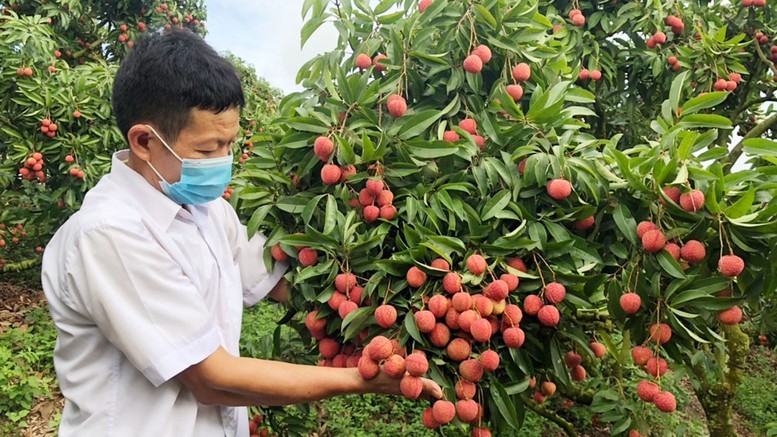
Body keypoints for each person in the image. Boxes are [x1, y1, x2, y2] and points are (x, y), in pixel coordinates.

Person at [41, 29, 441, 437]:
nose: (224, 160)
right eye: (208, 149)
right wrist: (360, 378)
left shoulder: (208, 209)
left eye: (230, 143)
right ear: (144, 141)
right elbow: (211, 378)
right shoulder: (108, 235)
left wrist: (393, 302)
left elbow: (275, 281)